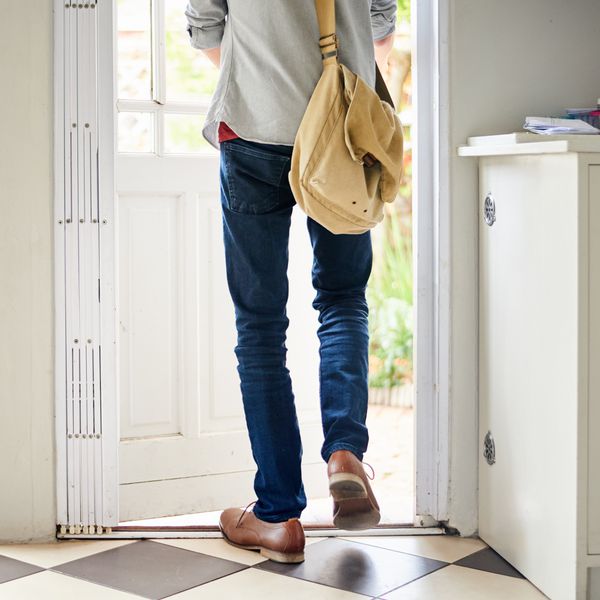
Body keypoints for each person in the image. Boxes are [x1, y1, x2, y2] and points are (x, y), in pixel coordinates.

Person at [184, 0, 397, 564]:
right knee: (343, 301)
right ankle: (346, 454)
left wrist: (266, 77)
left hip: (254, 129)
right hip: (343, 130)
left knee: (259, 327)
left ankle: (278, 516)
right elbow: (380, 22)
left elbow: (205, 26)